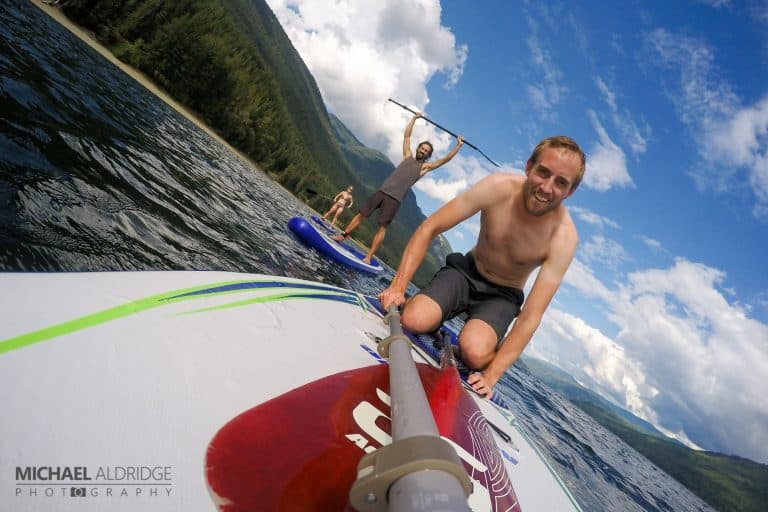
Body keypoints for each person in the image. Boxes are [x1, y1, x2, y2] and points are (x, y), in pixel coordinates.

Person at [379, 136, 586, 398]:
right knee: (413, 319)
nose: (546, 187)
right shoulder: (498, 186)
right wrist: (397, 286)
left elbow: (531, 315)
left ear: (571, 191)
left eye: (561, 183)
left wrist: (491, 376)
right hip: (465, 272)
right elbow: (431, 227)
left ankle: (472, 343)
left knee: (474, 353)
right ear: (529, 166)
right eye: (543, 172)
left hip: (502, 296)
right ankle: (430, 313)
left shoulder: (564, 238)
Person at [333, 112, 465, 263]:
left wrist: (458, 146)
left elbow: (444, 160)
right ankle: (342, 237)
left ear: (428, 155)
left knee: (382, 228)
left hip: (394, 199)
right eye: (422, 148)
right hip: (382, 191)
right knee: (361, 214)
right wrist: (414, 119)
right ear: (418, 149)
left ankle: (368, 257)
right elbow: (407, 137)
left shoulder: (424, 167)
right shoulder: (407, 156)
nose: (423, 151)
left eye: (426, 151)